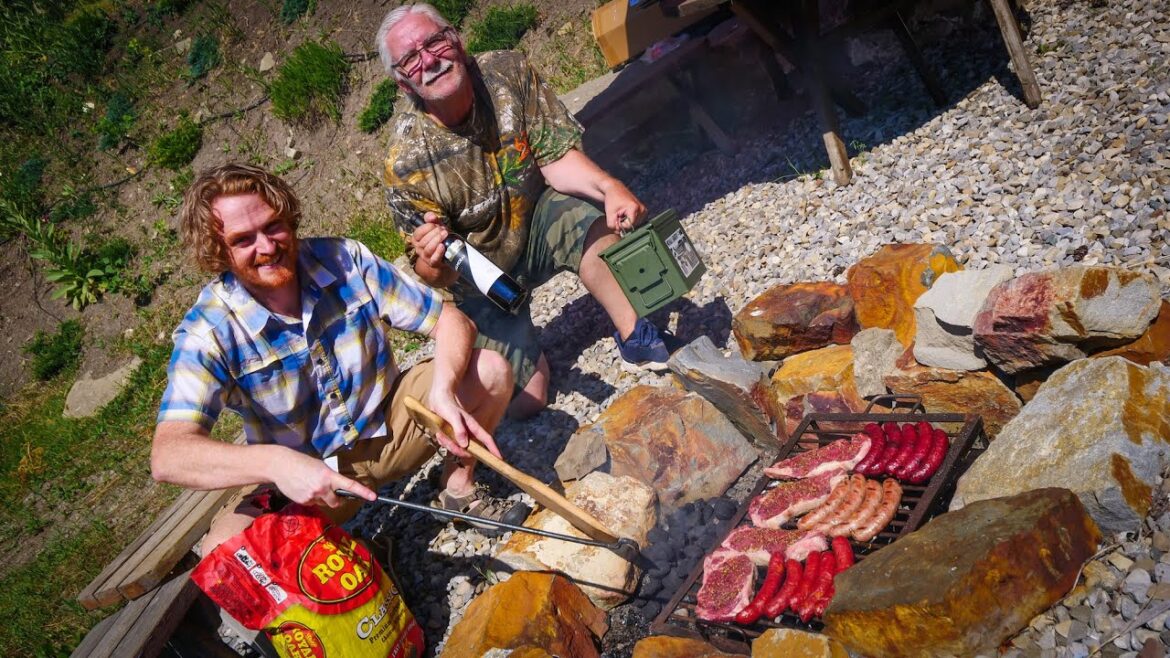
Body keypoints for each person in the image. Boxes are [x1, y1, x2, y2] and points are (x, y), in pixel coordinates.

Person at [152, 163, 529, 556]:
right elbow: (169, 455)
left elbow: (450, 320)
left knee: (489, 370)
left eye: (273, 226)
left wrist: (445, 389)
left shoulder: (344, 259)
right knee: (228, 548)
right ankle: (342, 581)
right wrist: (278, 464)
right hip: (308, 481)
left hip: (392, 428)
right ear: (218, 250)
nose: (267, 247)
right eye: (244, 239)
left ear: (288, 215)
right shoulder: (209, 332)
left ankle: (456, 489)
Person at [377, 3, 675, 419]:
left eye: (435, 41)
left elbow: (555, 159)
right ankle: (497, 369)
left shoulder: (506, 72)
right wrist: (431, 261)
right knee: (527, 403)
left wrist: (610, 187)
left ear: (457, 42)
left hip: (537, 223)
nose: (429, 60)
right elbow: (435, 273)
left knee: (583, 217)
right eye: (411, 58)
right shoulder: (406, 161)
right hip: (480, 280)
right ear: (404, 84)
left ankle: (635, 335)